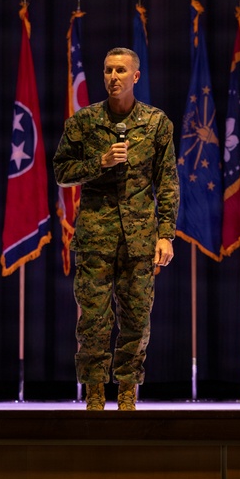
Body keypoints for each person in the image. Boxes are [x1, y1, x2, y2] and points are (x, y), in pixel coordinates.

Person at [53, 47, 179, 411]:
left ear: (135, 77)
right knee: (93, 319)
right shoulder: (84, 122)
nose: (113, 77)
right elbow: (62, 172)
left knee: (137, 319)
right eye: (108, 70)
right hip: (96, 236)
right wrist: (99, 161)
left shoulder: (157, 124)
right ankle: (94, 394)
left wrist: (166, 234)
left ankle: (127, 392)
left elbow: (167, 182)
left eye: (121, 71)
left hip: (140, 240)